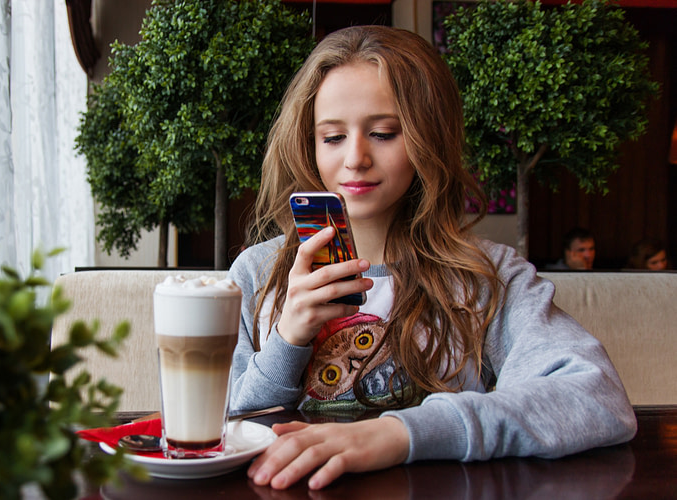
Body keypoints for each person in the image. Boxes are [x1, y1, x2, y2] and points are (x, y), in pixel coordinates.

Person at [226, 26, 635, 491]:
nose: (356, 158)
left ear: (428, 137)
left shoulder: (486, 277)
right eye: (333, 137)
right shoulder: (259, 274)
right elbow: (213, 431)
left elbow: (597, 397)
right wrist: (286, 342)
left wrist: (401, 433)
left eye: (383, 133)